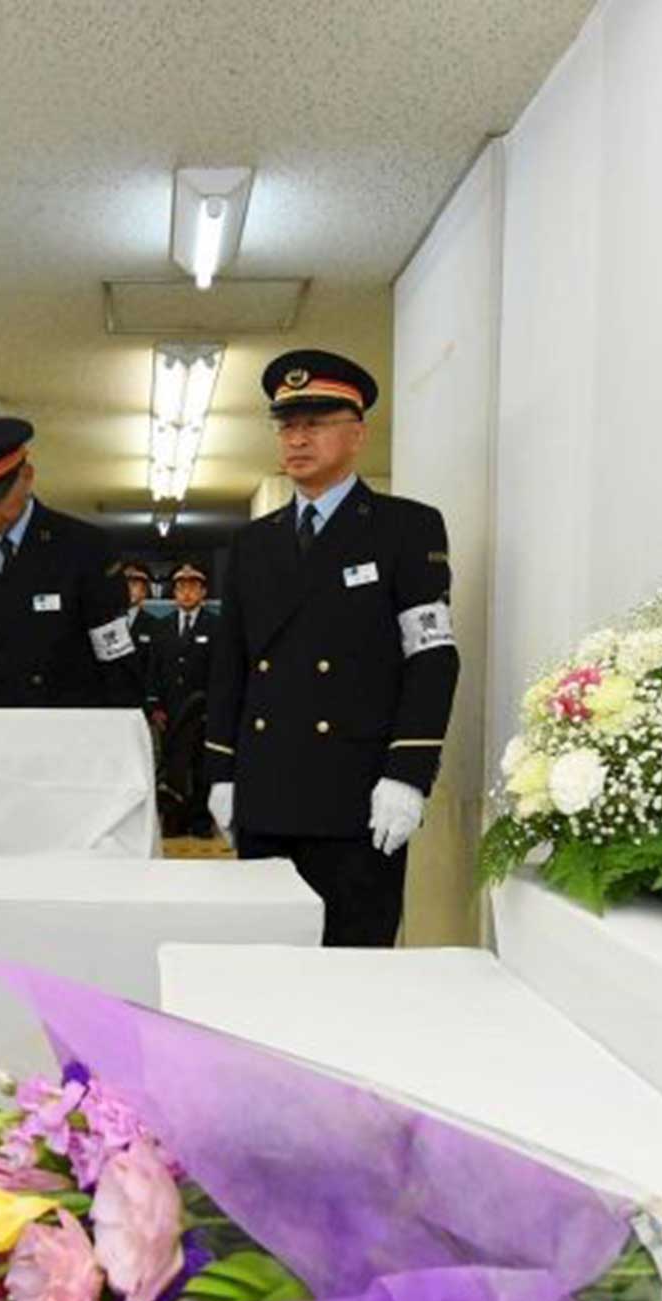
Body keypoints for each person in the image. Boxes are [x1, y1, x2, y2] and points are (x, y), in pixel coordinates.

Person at [204, 349, 458, 945]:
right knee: (269, 963)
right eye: (288, 425)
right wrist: (221, 770)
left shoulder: (406, 528)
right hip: (265, 793)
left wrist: (408, 772)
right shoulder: (253, 543)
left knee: (352, 961)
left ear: (357, 433)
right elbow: (230, 666)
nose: (297, 439)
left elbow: (432, 655)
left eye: (315, 423)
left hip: (357, 797)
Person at [0, 416, 142, 709]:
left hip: (63, 724)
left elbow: (113, 650)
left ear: (26, 476)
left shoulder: (86, 546)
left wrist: (122, 729)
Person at [154, 561, 220, 835]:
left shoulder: (217, 626)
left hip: (203, 710)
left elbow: (221, 671)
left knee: (202, 767)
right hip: (170, 710)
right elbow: (153, 670)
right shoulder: (163, 626)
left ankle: (201, 820)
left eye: (193, 588)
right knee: (174, 766)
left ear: (203, 592)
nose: (186, 594)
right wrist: (154, 705)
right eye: (181, 588)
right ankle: (175, 819)